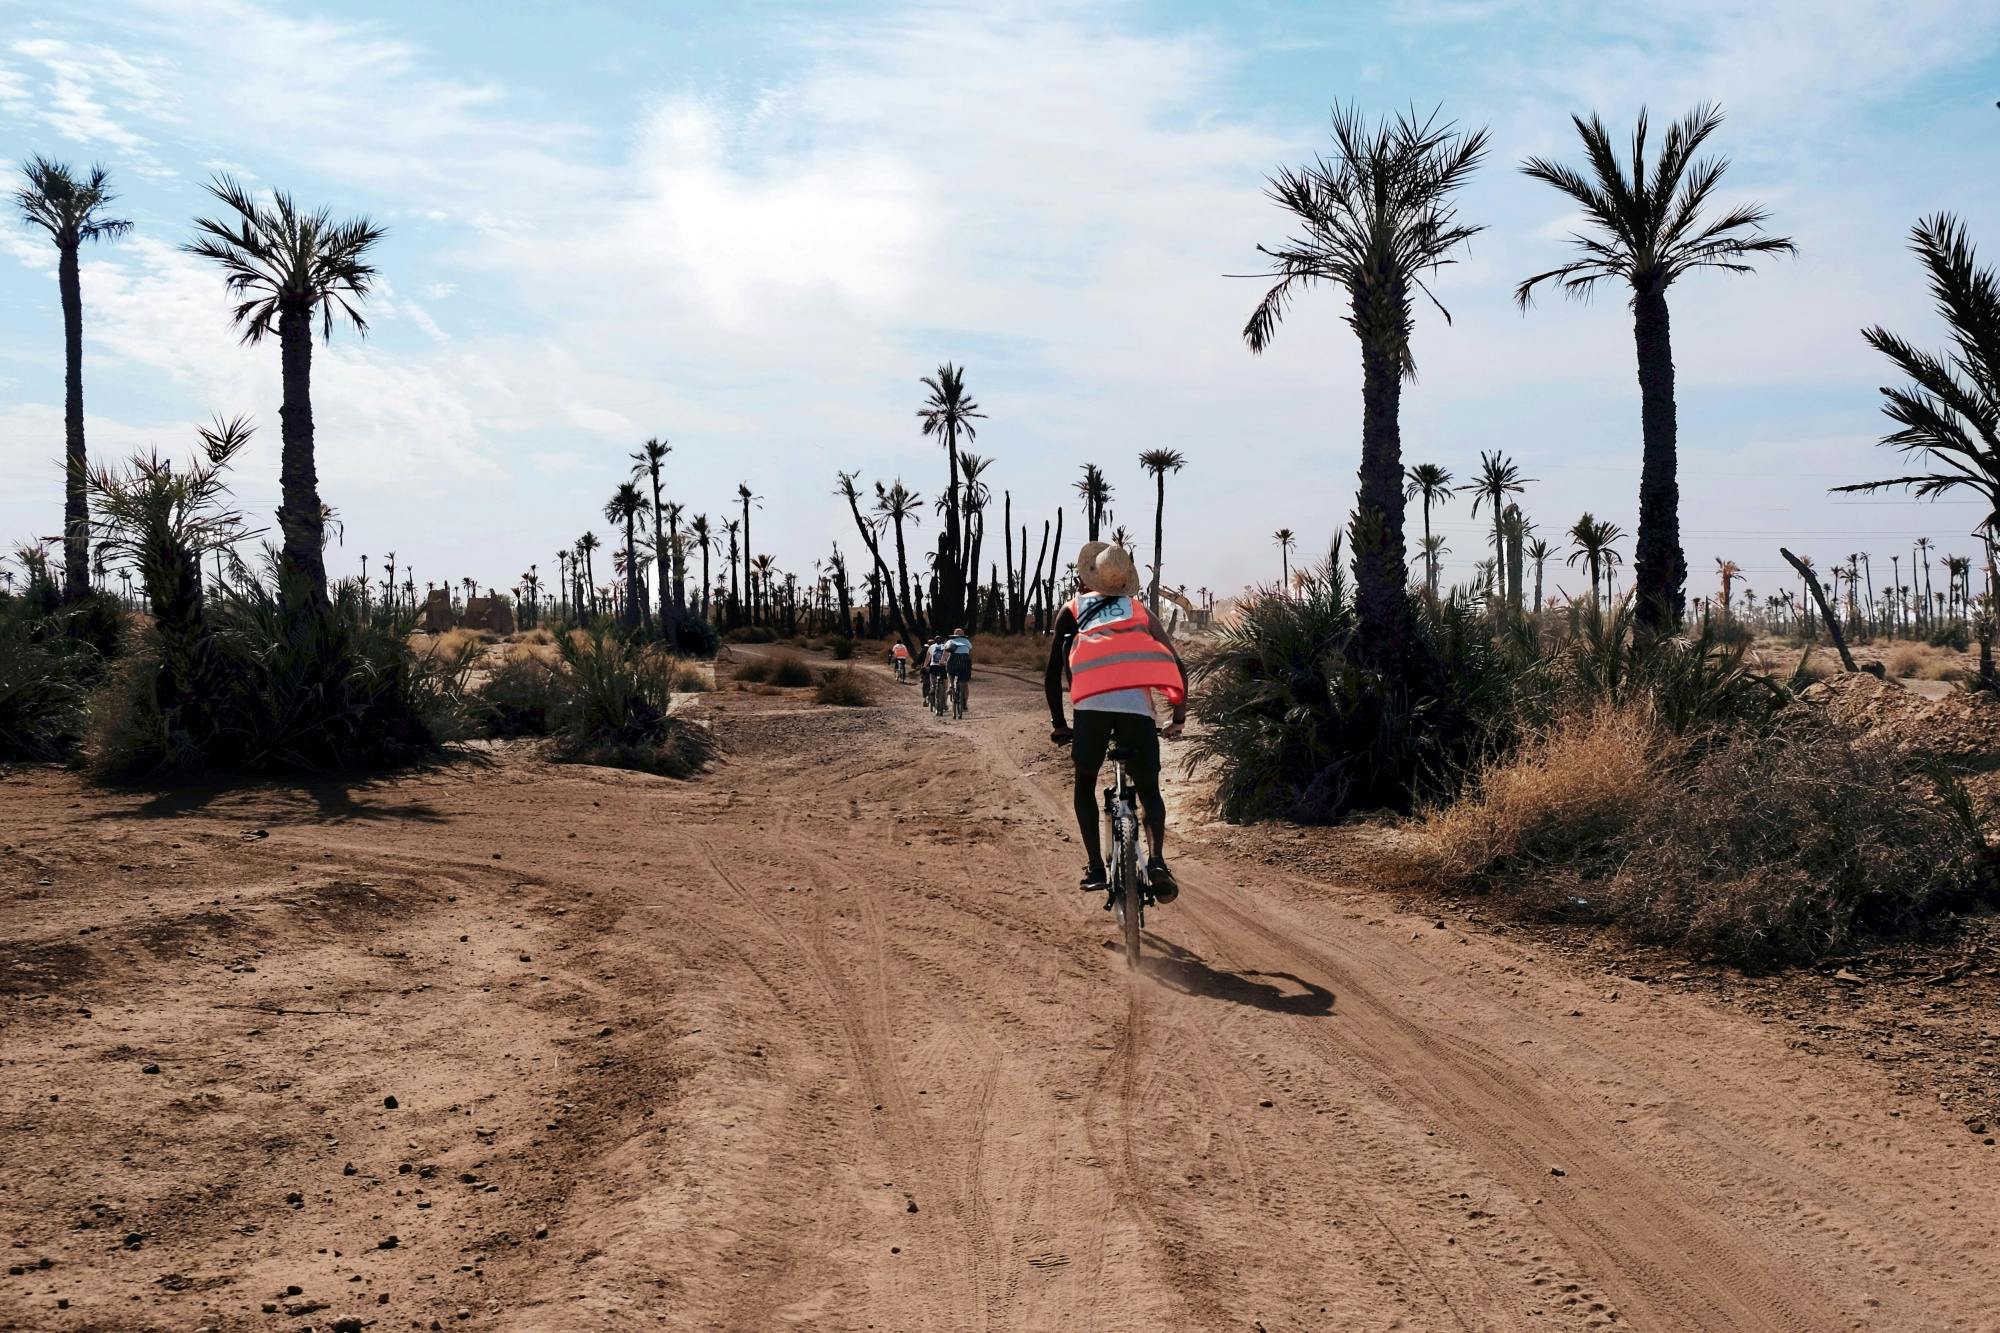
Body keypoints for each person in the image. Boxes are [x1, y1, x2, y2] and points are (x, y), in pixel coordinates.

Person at [1047, 541, 1186, 902]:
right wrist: (1178, 719)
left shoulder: (1073, 608)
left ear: (1088, 576)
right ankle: (1156, 862)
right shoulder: (1140, 611)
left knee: (1085, 781)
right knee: (1150, 789)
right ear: (1125, 581)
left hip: (1091, 707)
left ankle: (1094, 866)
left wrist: (1060, 724)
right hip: (1137, 712)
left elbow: (1051, 673)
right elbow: (1175, 664)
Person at [943, 626, 973, 712]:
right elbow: (969, 651)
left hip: (953, 659)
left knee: (949, 671)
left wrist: (942, 661)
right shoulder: (967, 641)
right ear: (963, 635)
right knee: (965, 683)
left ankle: (951, 685)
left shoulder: (950, 641)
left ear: (954, 634)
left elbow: (945, 653)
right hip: (965, 660)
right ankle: (965, 705)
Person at [924, 636, 950, 713]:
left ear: (935, 641)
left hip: (933, 667)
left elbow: (927, 659)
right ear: (942, 641)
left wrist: (924, 666)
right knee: (945, 686)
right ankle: (945, 704)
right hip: (942, 667)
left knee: (933, 681)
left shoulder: (931, 647)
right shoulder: (946, 646)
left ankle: (932, 688)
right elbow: (948, 657)